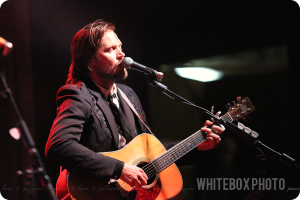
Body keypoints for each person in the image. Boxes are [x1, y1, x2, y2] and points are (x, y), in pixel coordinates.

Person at [45, 19, 223, 199]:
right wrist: (119, 169)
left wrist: (196, 146)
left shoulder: (128, 95)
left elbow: (151, 157)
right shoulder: (77, 94)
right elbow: (59, 146)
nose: (121, 54)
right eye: (110, 50)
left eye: (120, 47)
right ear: (90, 61)